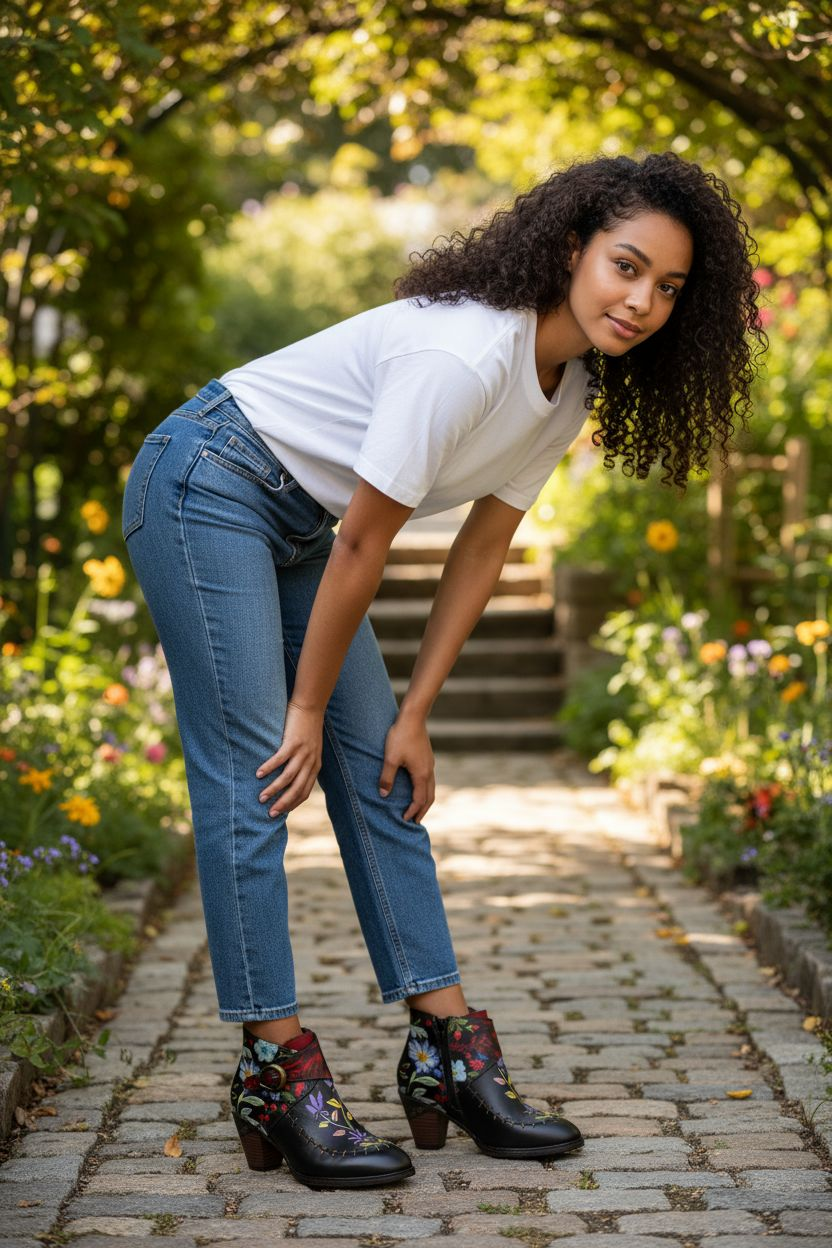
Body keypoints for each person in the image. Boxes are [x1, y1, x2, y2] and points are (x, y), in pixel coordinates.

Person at [121, 151, 765, 1190]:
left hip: (294, 522)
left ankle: (447, 1055)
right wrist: (305, 707)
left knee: (384, 774)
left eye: (668, 287)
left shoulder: (564, 390)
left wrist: (414, 712)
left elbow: (481, 550)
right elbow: (367, 547)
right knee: (259, 778)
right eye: (625, 267)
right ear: (571, 251)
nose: (642, 301)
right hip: (207, 481)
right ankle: (274, 1074)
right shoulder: (467, 357)